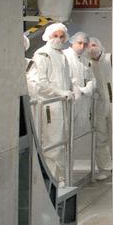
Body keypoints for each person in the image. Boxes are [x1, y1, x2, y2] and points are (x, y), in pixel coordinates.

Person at [25, 22, 75, 184]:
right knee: (52, 143)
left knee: (61, 141)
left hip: (61, 105)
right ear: (48, 36)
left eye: (61, 36)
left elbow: (65, 79)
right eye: (55, 36)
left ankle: (61, 178)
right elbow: (41, 83)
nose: (58, 39)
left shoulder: (61, 56)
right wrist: (59, 93)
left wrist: (69, 91)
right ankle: (52, 180)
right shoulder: (43, 55)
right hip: (49, 106)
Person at [86, 38, 112, 176]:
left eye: (94, 45)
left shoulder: (111, 59)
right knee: (100, 137)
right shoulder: (87, 64)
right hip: (99, 104)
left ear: (100, 46)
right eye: (88, 46)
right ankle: (105, 169)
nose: (92, 48)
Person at [65, 31, 96, 141]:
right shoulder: (64, 56)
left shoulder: (85, 60)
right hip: (70, 100)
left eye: (85, 44)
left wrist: (88, 88)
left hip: (83, 101)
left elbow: (92, 78)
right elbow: (63, 79)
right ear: (73, 42)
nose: (82, 46)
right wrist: (76, 89)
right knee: (66, 132)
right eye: (79, 43)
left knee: (80, 133)